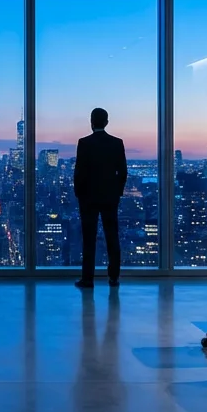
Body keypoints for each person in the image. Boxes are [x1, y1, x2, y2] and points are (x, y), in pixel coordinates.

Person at [73, 107, 127, 288]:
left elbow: (79, 172)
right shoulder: (117, 143)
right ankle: (114, 278)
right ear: (106, 122)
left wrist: (79, 193)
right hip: (110, 198)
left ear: (91, 121)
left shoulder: (84, 143)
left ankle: (87, 279)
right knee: (112, 236)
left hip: (88, 198)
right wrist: (117, 192)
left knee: (89, 238)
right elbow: (123, 172)